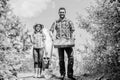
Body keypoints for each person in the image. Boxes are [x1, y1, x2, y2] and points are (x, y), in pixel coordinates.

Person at [50, 7, 76, 80]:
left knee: (71, 58)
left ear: (65, 13)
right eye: (60, 12)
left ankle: (70, 75)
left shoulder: (69, 21)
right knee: (61, 59)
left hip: (68, 42)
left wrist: (73, 37)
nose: (62, 13)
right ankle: (62, 74)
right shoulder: (56, 22)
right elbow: (50, 31)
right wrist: (52, 37)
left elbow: (73, 30)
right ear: (58, 13)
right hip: (59, 42)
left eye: (63, 12)